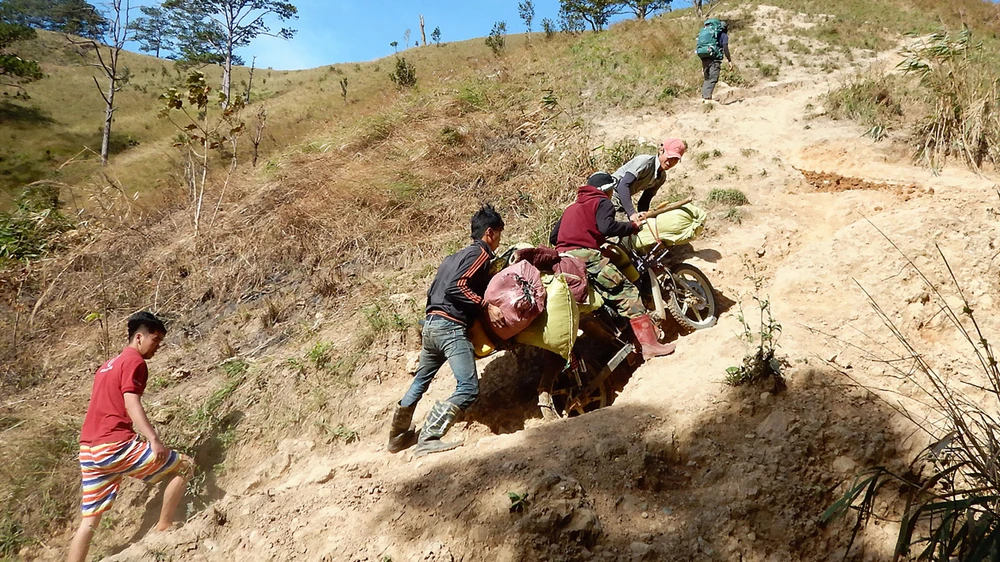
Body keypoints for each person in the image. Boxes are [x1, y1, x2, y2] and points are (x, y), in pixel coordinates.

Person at [67, 311, 193, 562]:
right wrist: (153, 438)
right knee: (186, 465)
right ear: (138, 337)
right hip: (114, 444)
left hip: (89, 451)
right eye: (155, 340)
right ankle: (165, 525)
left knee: (89, 521)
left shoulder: (106, 366)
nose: (157, 347)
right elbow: (131, 403)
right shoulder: (135, 362)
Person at [387, 203, 506, 457]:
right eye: (498, 234)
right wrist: (486, 305)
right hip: (451, 328)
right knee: (468, 388)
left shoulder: (452, 257)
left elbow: (435, 290)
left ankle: (397, 437)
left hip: (431, 325)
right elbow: (457, 286)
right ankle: (429, 436)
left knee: (420, 381)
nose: (498, 241)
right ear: (490, 233)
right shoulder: (481, 255)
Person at [549, 173, 675, 361]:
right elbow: (607, 227)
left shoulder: (571, 208)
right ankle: (650, 346)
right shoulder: (602, 202)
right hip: (587, 257)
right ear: (607, 190)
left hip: (564, 261)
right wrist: (632, 226)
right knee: (628, 293)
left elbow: (554, 237)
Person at [606, 139, 686, 223]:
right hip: (610, 195)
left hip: (621, 200)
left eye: (675, 160)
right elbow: (623, 186)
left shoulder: (661, 177)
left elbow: (645, 200)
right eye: (669, 157)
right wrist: (632, 213)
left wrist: (645, 217)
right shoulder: (644, 162)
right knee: (625, 229)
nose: (670, 162)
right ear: (661, 150)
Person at [697, 18, 733, 101]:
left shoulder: (710, 34)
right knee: (713, 78)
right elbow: (725, 48)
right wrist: (729, 61)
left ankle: (704, 97)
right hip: (714, 58)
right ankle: (707, 98)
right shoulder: (724, 35)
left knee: (707, 78)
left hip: (704, 56)